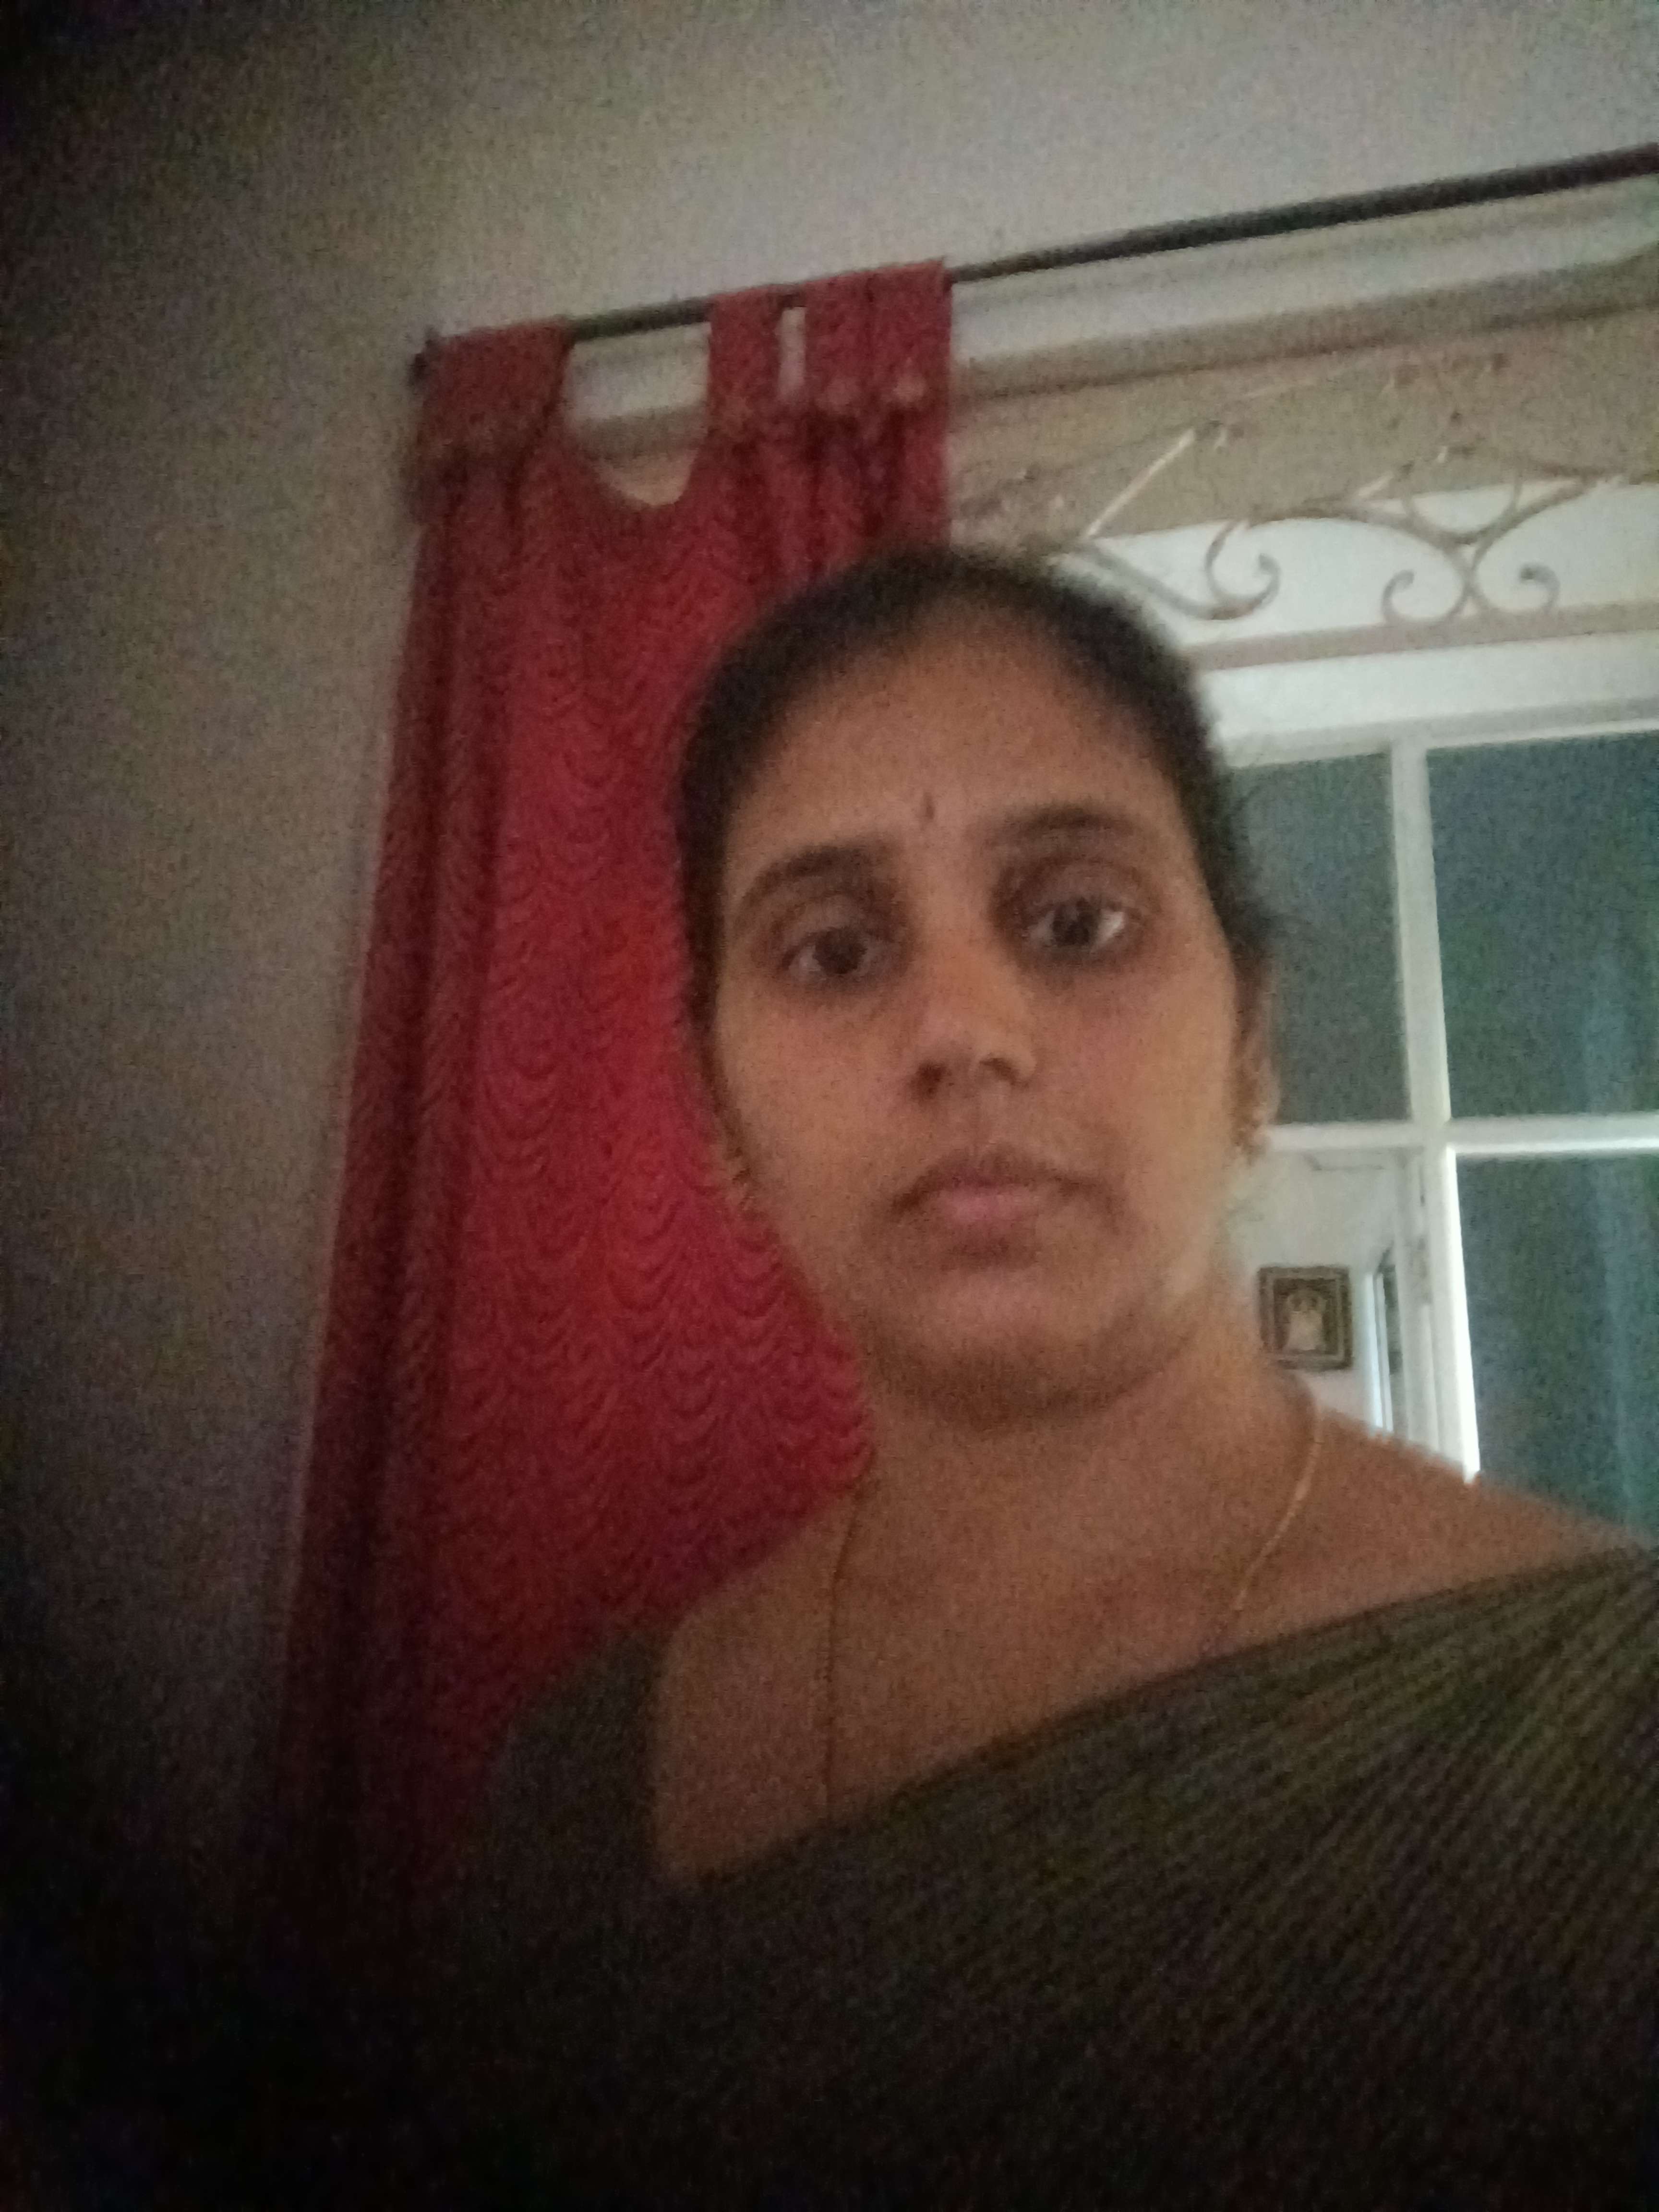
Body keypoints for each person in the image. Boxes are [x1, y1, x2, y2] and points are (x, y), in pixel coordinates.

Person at [432, 549, 1659, 2209]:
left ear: (1252, 1049)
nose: (966, 1029)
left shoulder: (1607, 1735)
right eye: (835, 951)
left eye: (1078, 922)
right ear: (719, 1119)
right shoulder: (580, 1797)